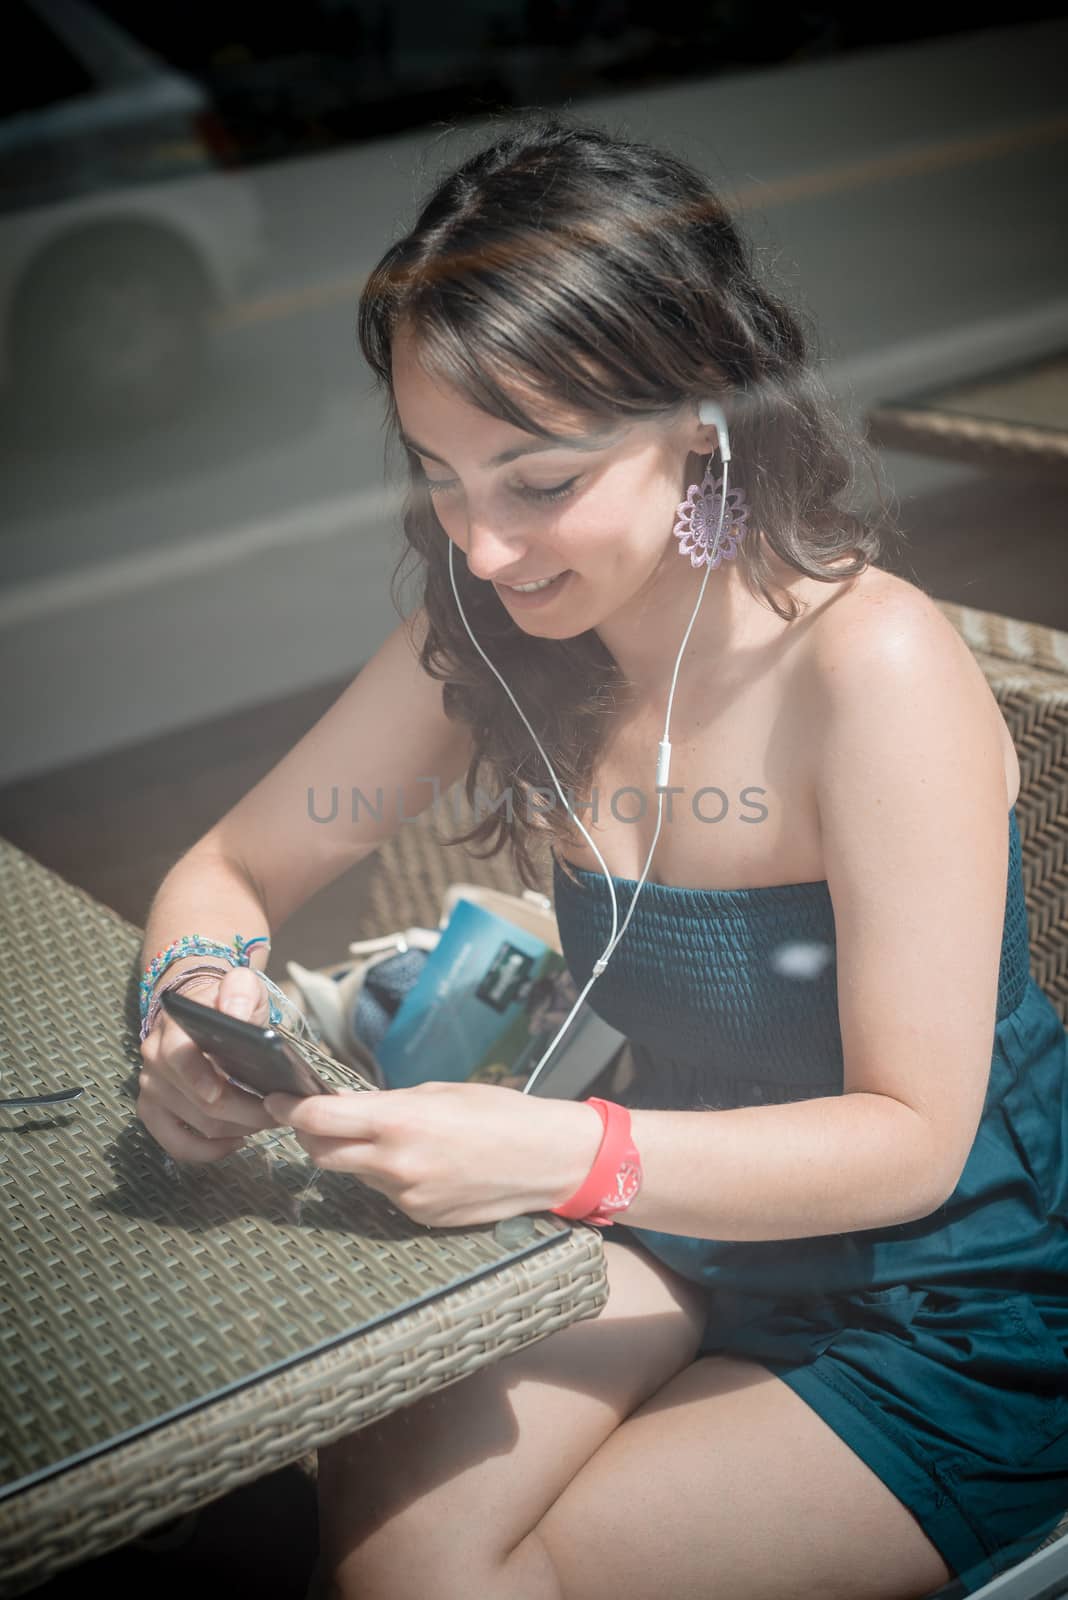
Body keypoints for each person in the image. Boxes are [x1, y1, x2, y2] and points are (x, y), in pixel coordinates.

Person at [135, 113, 1068, 1599]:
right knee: (380, 1523)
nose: (484, 546)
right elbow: (229, 872)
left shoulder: (866, 668)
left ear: (702, 414)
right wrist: (199, 1006)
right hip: (669, 1216)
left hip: (945, 1289)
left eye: (540, 480)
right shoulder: (492, 632)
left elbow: (912, 1139)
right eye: (442, 476)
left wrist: (562, 1151)